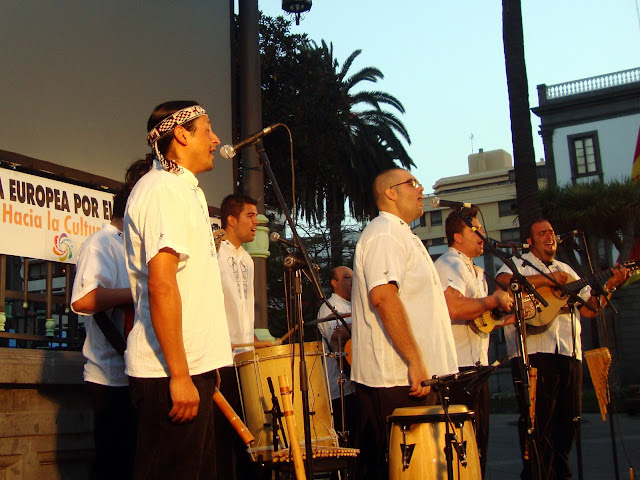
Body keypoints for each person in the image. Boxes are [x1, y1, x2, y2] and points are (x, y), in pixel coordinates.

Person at [124, 101, 232, 479]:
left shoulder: (185, 191)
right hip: (166, 373)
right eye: (207, 130)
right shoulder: (162, 190)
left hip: (189, 368)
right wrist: (181, 374)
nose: (216, 140)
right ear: (181, 134)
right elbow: (162, 284)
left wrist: (205, 365)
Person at [496, 218, 629, 480]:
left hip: (568, 352)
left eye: (552, 232)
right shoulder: (520, 263)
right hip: (533, 354)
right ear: (531, 241)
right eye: (542, 233)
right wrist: (549, 281)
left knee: (567, 422)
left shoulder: (567, 269)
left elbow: (590, 309)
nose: (550, 236)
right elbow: (503, 281)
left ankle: (561, 474)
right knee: (538, 424)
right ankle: (536, 475)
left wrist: (610, 285)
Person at [350, 168, 458, 480]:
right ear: (391, 193)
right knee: (408, 470)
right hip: (398, 379)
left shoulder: (401, 234)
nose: (421, 189)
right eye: (412, 183)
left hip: (413, 376)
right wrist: (414, 360)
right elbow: (383, 296)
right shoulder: (385, 232)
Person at [434, 207, 514, 478]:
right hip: (457, 372)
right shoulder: (448, 263)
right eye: (474, 230)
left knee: (478, 447)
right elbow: (453, 307)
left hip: (476, 369)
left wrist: (511, 314)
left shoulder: (475, 270)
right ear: (457, 236)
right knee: (462, 450)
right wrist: (494, 300)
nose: (482, 235)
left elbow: (481, 319)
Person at [215, 193, 262, 479]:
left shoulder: (247, 259)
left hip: (245, 360)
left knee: (249, 436)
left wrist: (253, 341)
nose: (256, 223)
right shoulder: (214, 252)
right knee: (223, 436)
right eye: (250, 216)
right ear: (231, 220)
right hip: (220, 358)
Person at [316, 266, 356, 445]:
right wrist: (364, 322)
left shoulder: (353, 304)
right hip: (340, 387)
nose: (351, 281)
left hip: (355, 383)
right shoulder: (329, 308)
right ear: (334, 283)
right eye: (347, 277)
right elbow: (335, 336)